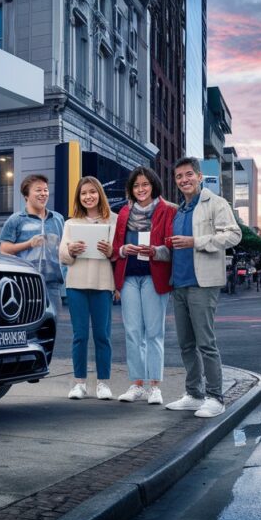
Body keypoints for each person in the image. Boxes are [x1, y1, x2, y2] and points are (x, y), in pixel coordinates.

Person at [165, 157, 242, 418]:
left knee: (206, 343)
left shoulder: (215, 203)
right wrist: (154, 251)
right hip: (179, 283)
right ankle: (194, 394)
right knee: (186, 344)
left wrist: (196, 241)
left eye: (188, 175)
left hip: (202, 284)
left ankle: (215, 397)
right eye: (179, 177)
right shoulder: (179, 211)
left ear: (199, 177)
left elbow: (233, 235)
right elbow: (176, 248)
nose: (184, 180)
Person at [111, 167, 176, 405]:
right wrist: (122, 250)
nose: (141, 189)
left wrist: (155, 251)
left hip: (153, 276)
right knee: (132, 332)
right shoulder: (124, 213)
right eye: (136, 185)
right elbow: (115, 248)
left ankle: (154, 387)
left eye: (145, 184)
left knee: (154, 332)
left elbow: (172, 247)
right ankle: (136, 384)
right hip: (128, 277)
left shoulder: (168, 210)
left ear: (153, 186)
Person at [59, 177, 118, 400]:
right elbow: (62, 255)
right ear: (79, 197)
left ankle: (103, 383)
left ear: (99, 194)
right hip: (76, 284)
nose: (88, 197)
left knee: (103, 335)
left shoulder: (114, 220)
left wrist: (111, 250)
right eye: (83, 193)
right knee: (80, 336)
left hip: (103, 284)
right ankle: (79, 383)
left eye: (92, 192)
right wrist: (71, 250)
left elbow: (118, 254)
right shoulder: (71, 223)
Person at [0, 174, 66, 318]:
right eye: (38, 190)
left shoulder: (58, 218)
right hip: (24, 283)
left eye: (45, 190)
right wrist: (29, 244)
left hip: (52, 285)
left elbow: (63, 249)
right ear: (26, 195)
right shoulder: (15, 220)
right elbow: (3, 250)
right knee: (25, 324)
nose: (43, 194)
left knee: (51, 329)